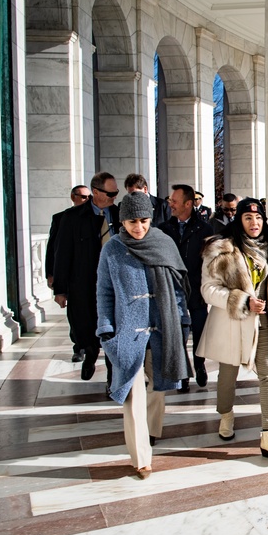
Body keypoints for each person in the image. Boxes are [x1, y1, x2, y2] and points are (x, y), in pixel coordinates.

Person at [96, 192, 191, 480]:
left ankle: (152, 431)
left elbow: (177, 288)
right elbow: (104, 292)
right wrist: (106, 328)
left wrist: (182, 321)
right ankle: (141, 458)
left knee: (158, 388)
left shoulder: (163, 243)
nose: (139, 228)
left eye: (144, 221)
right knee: (132, 395)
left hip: (163, 329)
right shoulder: (112, 250)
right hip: (128, 333)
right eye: (132, 221)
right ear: (122, 221)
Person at [197, 198, 268, 458]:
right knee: (228, 376)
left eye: (259, 218)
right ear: (239, 220)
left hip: (264, 325)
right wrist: (241, 300)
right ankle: (226, 415)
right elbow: (208, 290)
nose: (254, 223)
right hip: (233, 323)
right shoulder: (220, 249)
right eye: (248, 218)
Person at [53, 171, 120, 391]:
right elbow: (62, 254)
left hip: (113, 284)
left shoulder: (120, 215)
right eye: (110, 193)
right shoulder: (72, 218)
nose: (113, 198)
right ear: (96, 192)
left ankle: (112, 378)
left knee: (114, 330)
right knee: (87, 326)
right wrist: (60, 289)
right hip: (84, 284)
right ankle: (90, 353)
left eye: (116, 193)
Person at [159, 184, 214, 391]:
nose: (170, 204)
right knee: (177, 333)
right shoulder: (164, 229)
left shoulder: (205, 229)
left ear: (188, 204)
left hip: (197, 289)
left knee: (200, 330)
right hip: (173, 290)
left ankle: (199, 365)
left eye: (174, 200)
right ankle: (182, 372)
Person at [46, 184, 91, 362]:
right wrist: (52, 274)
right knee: (75, 313)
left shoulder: (95, 218)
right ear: (73, 197)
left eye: (89, 197)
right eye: (83, 197)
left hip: (88, 274)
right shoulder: (60, 218)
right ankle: (79, 346)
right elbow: (54, 250)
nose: (86, 201)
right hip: (71, 275)